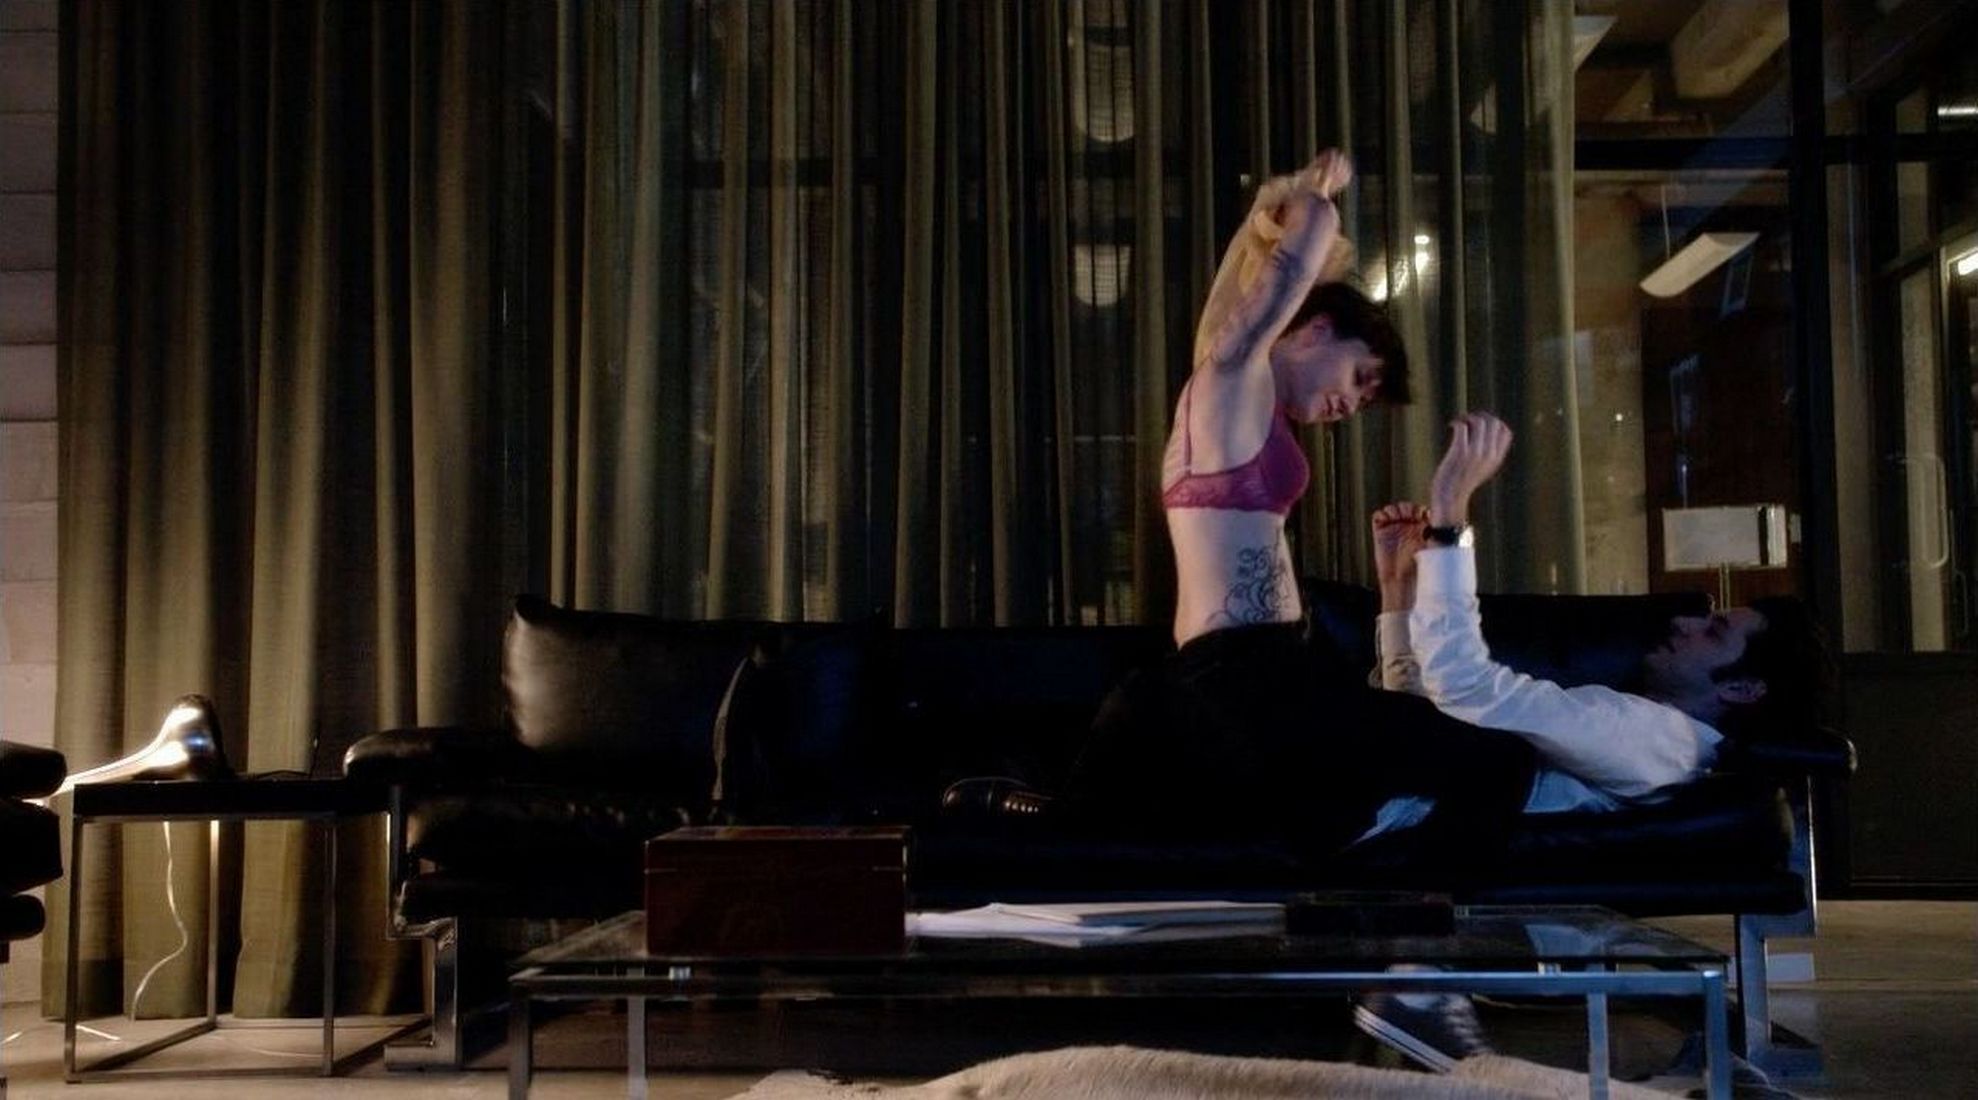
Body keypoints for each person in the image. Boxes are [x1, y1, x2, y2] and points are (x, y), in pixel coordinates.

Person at [1066, 153, 1542, 871]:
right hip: (1242, 677)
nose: (1352, 404)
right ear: (1314, 329)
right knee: (1498, 763)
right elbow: (1292, 262)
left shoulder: (1238, 392)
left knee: (1440, 777)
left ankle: (1378, 895)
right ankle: (1401, 914)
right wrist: (1305, 199)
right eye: (1361, 377)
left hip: (1276, 673)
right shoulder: (1229, 379)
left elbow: (1238, 295)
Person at [1352, 411, 1830, 1072]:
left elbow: (1464, 687)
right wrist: (1399, 590)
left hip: (1356, 798)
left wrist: (1450, 521)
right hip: (1360, 777)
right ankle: (1420, 983)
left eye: (1714, 631)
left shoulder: (1657, 739)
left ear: (1744, 689)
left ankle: (1421, 982)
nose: (1686, 624)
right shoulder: (1633, 724)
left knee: (1498, 749)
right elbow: (1432, 713)